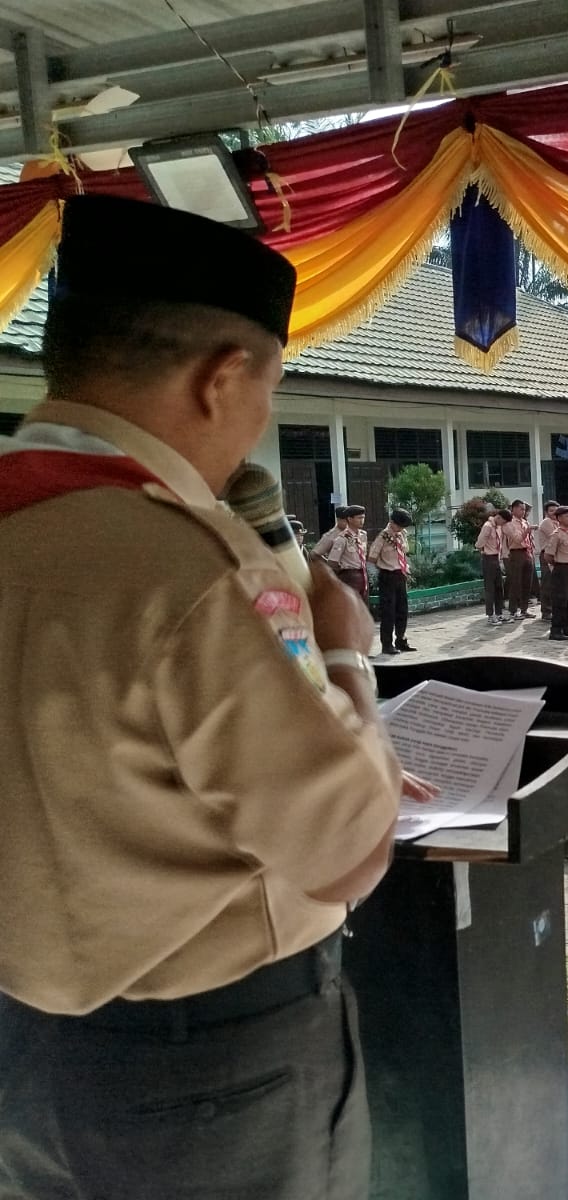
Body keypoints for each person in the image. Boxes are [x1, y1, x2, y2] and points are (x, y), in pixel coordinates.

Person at [0, 194, 403, 1199]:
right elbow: (349, 851)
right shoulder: (190, 569)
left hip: (23, 1047)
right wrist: (347, 655)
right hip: (213, 1068)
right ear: (224, 379)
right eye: (268, 390)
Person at [373, 508, 416, 654]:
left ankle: (401, 640)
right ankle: (387, 644)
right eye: (399, 525)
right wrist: (384, 565)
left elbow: (405, 550)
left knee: (402, 609)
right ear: (392, 522)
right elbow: (372, 556)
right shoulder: (383, 537)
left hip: (400, 574)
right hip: (388, 575)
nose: (401, 529)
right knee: (388, 612)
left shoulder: (402, 534)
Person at [315, 503, 368, 596]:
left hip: (363, 574)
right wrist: (342, 571)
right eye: (359, 518)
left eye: (363, 517)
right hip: (349, 576)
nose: (362, 521)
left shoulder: (363, 535)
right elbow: (332, 562)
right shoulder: (342, 539)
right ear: (350, 519)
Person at [547, 506, 568, 638]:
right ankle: (556, 630)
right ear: (559, 518)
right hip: (561, 568)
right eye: (567, 516)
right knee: (561, 600)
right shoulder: (556, 535)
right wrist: (558, 566)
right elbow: (548, 555)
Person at [476, 506, 509, 624]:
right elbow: (479, 543)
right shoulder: (487, 527)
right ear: (499, 517)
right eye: (503, 521)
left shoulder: (498, 527)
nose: (503, 524)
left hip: (496, 558)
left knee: (499, 587)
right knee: (490, 588)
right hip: (488, 558)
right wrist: (484, 550)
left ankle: (499, 613)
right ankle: (490, 616)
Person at [504, 499, 534, 619]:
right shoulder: (509, 523)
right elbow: (517, 539)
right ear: (514, 509)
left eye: (524, 509)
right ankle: (513, 610)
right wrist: (527, 531)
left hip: (527, 552)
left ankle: (524, 609)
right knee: (516, 582)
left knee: (527, 583)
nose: (523, 511)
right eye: (521, 509)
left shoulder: (524, 522)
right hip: (516, 552)